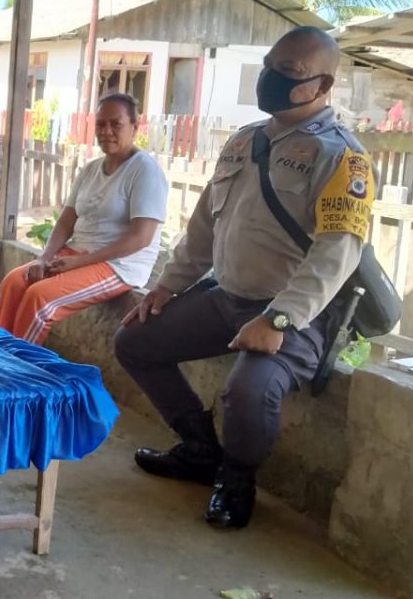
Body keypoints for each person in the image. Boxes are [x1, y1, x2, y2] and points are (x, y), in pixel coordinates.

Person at [114, 26, 374, 530]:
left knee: (248, 392)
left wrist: (279, 318)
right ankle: (199, 451)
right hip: (226, 297)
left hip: (293, 314)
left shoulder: (342, 156)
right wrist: (168, 285)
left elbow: (337, 252)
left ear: (322, 85)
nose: (270, 77)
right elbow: (205, 226)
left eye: (288, 71)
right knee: (135, 341)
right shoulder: (244, 141)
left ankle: (236, 481)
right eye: (269, 65)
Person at [0, 93, 168, 344]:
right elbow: (66, 221)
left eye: (116, 124)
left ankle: (17, 364)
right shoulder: (90, 169)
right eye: (100, 124)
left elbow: (141, 238)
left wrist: (81, 262)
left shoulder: (145, 170)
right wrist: (44, 258)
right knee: (13, 282)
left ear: (135, 126)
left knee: (40, 298)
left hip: (118, 265)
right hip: (77, 254)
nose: (106, 131)